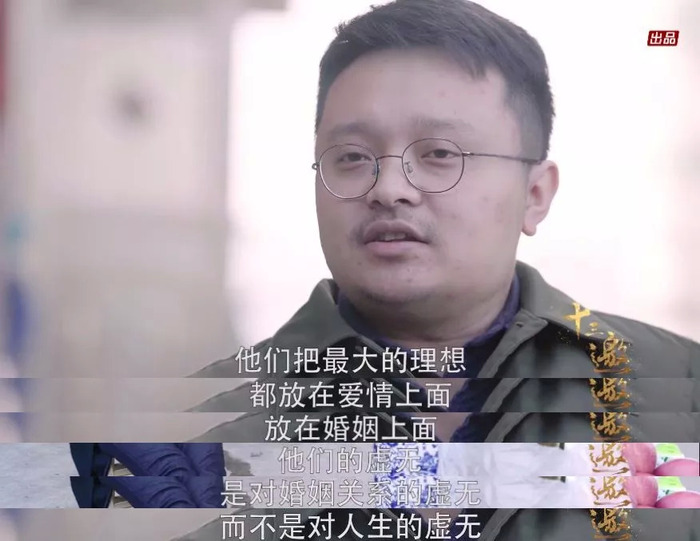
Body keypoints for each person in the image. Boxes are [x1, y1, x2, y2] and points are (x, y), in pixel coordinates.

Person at [74, 0, 700, 538]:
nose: (389, 188)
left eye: (440, 154)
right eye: (351, 157)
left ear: (535, 194)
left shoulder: (679, 390)